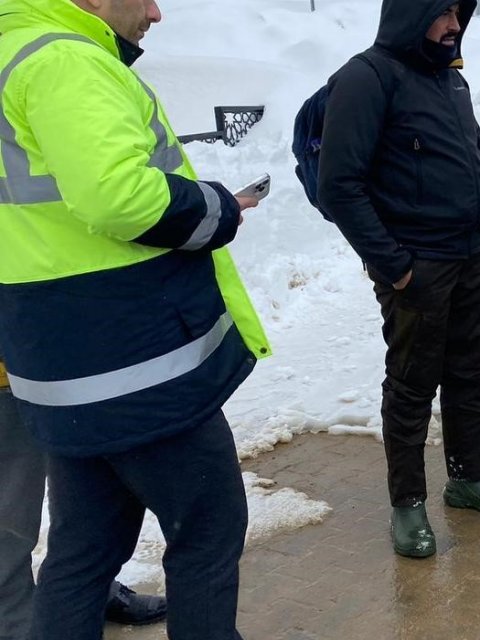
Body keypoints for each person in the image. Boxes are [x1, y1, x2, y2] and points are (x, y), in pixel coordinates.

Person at [0, 0, 271, 637]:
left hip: (63, 363)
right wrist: (216, 209)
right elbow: (118, 195)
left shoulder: (15, 49)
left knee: (84, 548)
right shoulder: (64, 58)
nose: (155, 12)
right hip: (130, 363)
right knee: (207, 526)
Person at [318, 0, 480, 559]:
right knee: (412, 384)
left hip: (466, 254)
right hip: (416, 266)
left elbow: (473, 149)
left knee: (469, 370)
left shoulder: (449, 79)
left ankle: (470, 477)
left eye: (457, 13)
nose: (453, 25)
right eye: (441, 13)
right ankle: (408, 504)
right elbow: (339, 186)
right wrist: (393, 265)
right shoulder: (367, 79)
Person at [1, 355, 167, 638]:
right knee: (10, 503)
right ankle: (14, 620)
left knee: (80, 486)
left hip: (63, 357)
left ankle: (81, 594)